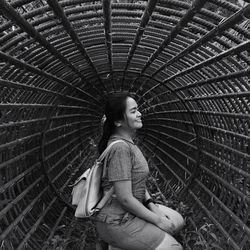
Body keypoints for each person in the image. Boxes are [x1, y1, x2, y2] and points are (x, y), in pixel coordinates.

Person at [95, 92, 183, 250]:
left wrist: (153, 206)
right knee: (174, 248)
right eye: (133, 111)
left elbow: (137, 181)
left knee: (177, 221)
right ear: (118, 121)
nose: (139, 114)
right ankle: (117, 242)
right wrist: (158, 220)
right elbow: (125, 198)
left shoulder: (128, 143)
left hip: (130, 212)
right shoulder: (120, 148)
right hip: (118, 221)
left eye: (138, 109)